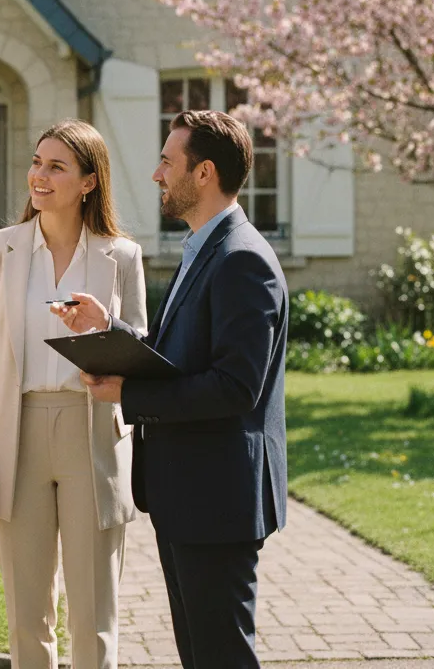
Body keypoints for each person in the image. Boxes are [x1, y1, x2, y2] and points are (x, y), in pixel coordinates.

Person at [72, 109, 288, 669]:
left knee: (221, 656)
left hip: (217, 499)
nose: (156, 174)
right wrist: (111, 330)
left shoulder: (242, 260)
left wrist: (129, 395)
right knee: (200, 655)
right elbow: (180, 351)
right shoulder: (204, 247)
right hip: (188, 494)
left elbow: (236, 387)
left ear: (204, 173)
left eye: (168, 161)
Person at [0, 119, 147, 669]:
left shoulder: (122, 256)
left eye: (56, 167)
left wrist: (105, 323)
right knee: (26, 618)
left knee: (93, 619)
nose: (38, 176)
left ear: (89, 182)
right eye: (37, 163)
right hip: (16, 435)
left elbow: (141, 355)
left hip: (94, 436)